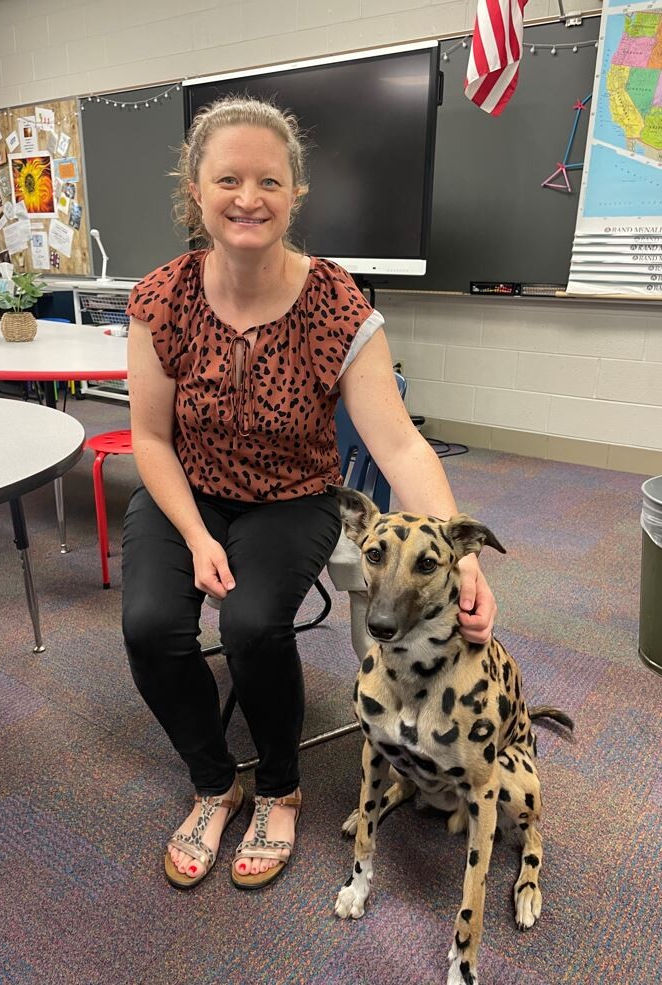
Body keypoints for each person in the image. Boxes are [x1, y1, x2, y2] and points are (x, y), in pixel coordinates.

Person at [122, 95, 497, 891]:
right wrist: (194, 534)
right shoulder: (162, 298)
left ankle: (279, 788)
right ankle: (214, 782)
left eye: (268, 180)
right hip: (185, 491)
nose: (247, 198)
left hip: (292, 493)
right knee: (152, 624)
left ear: (294, 193)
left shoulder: (334, 303)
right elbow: (150, 439)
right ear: (195, 188)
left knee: (255, 623)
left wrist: (460, 551)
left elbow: (397, 443)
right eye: (227, 178)